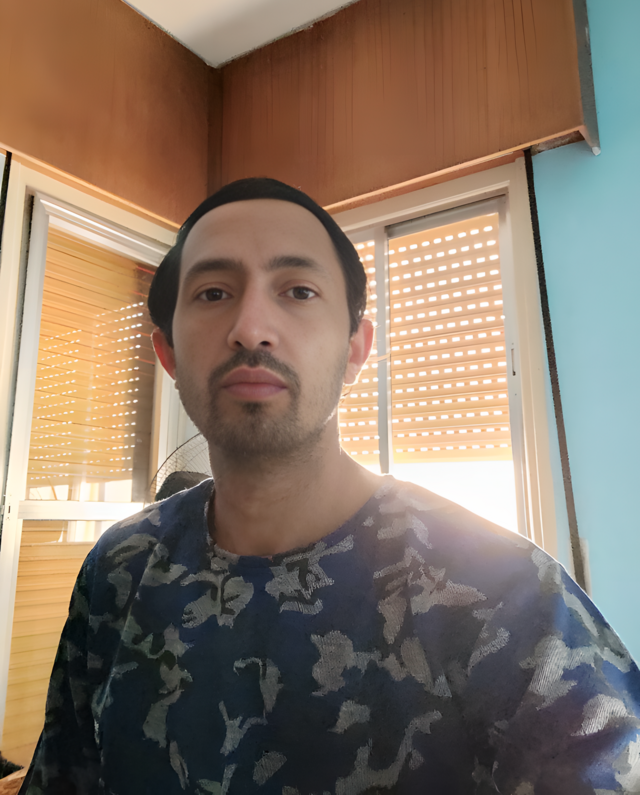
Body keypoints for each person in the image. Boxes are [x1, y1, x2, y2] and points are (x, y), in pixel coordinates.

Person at [20, 178, 640, 794]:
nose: (251, 328)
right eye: (213, 293)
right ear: (169, 354)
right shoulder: (120, 568)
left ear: (355, 350)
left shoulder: (504, 593)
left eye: (298, 290)